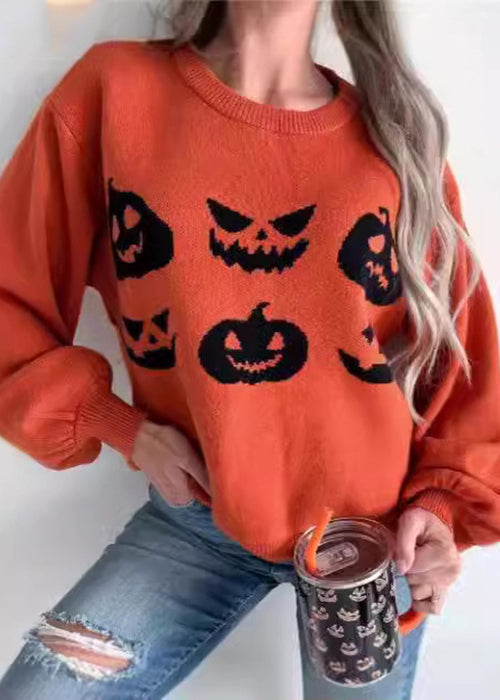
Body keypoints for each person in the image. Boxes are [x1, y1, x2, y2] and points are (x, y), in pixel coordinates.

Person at [0, 1, 499, 698]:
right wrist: (120, 427)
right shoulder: (114, 92)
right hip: (197, 519)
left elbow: (461, 353)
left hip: (369, 542)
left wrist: (439, 508)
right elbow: (11, 295)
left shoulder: (395, 135)